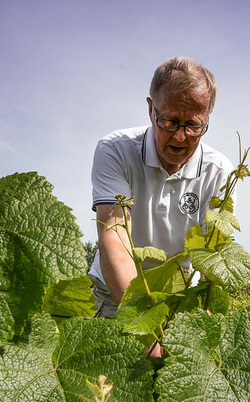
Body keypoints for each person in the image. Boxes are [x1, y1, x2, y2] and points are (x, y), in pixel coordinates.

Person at [88, 57, 233, 319]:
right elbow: (114, 237)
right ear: (151, 109)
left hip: (178, 299)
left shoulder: (219, 171)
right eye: (170, 121)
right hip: (115, 295)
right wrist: (142, 322)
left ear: (208, 117)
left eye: (194, 125)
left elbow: (212, 255)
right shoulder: (115, 150)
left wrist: (199, 318)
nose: (180, 136)